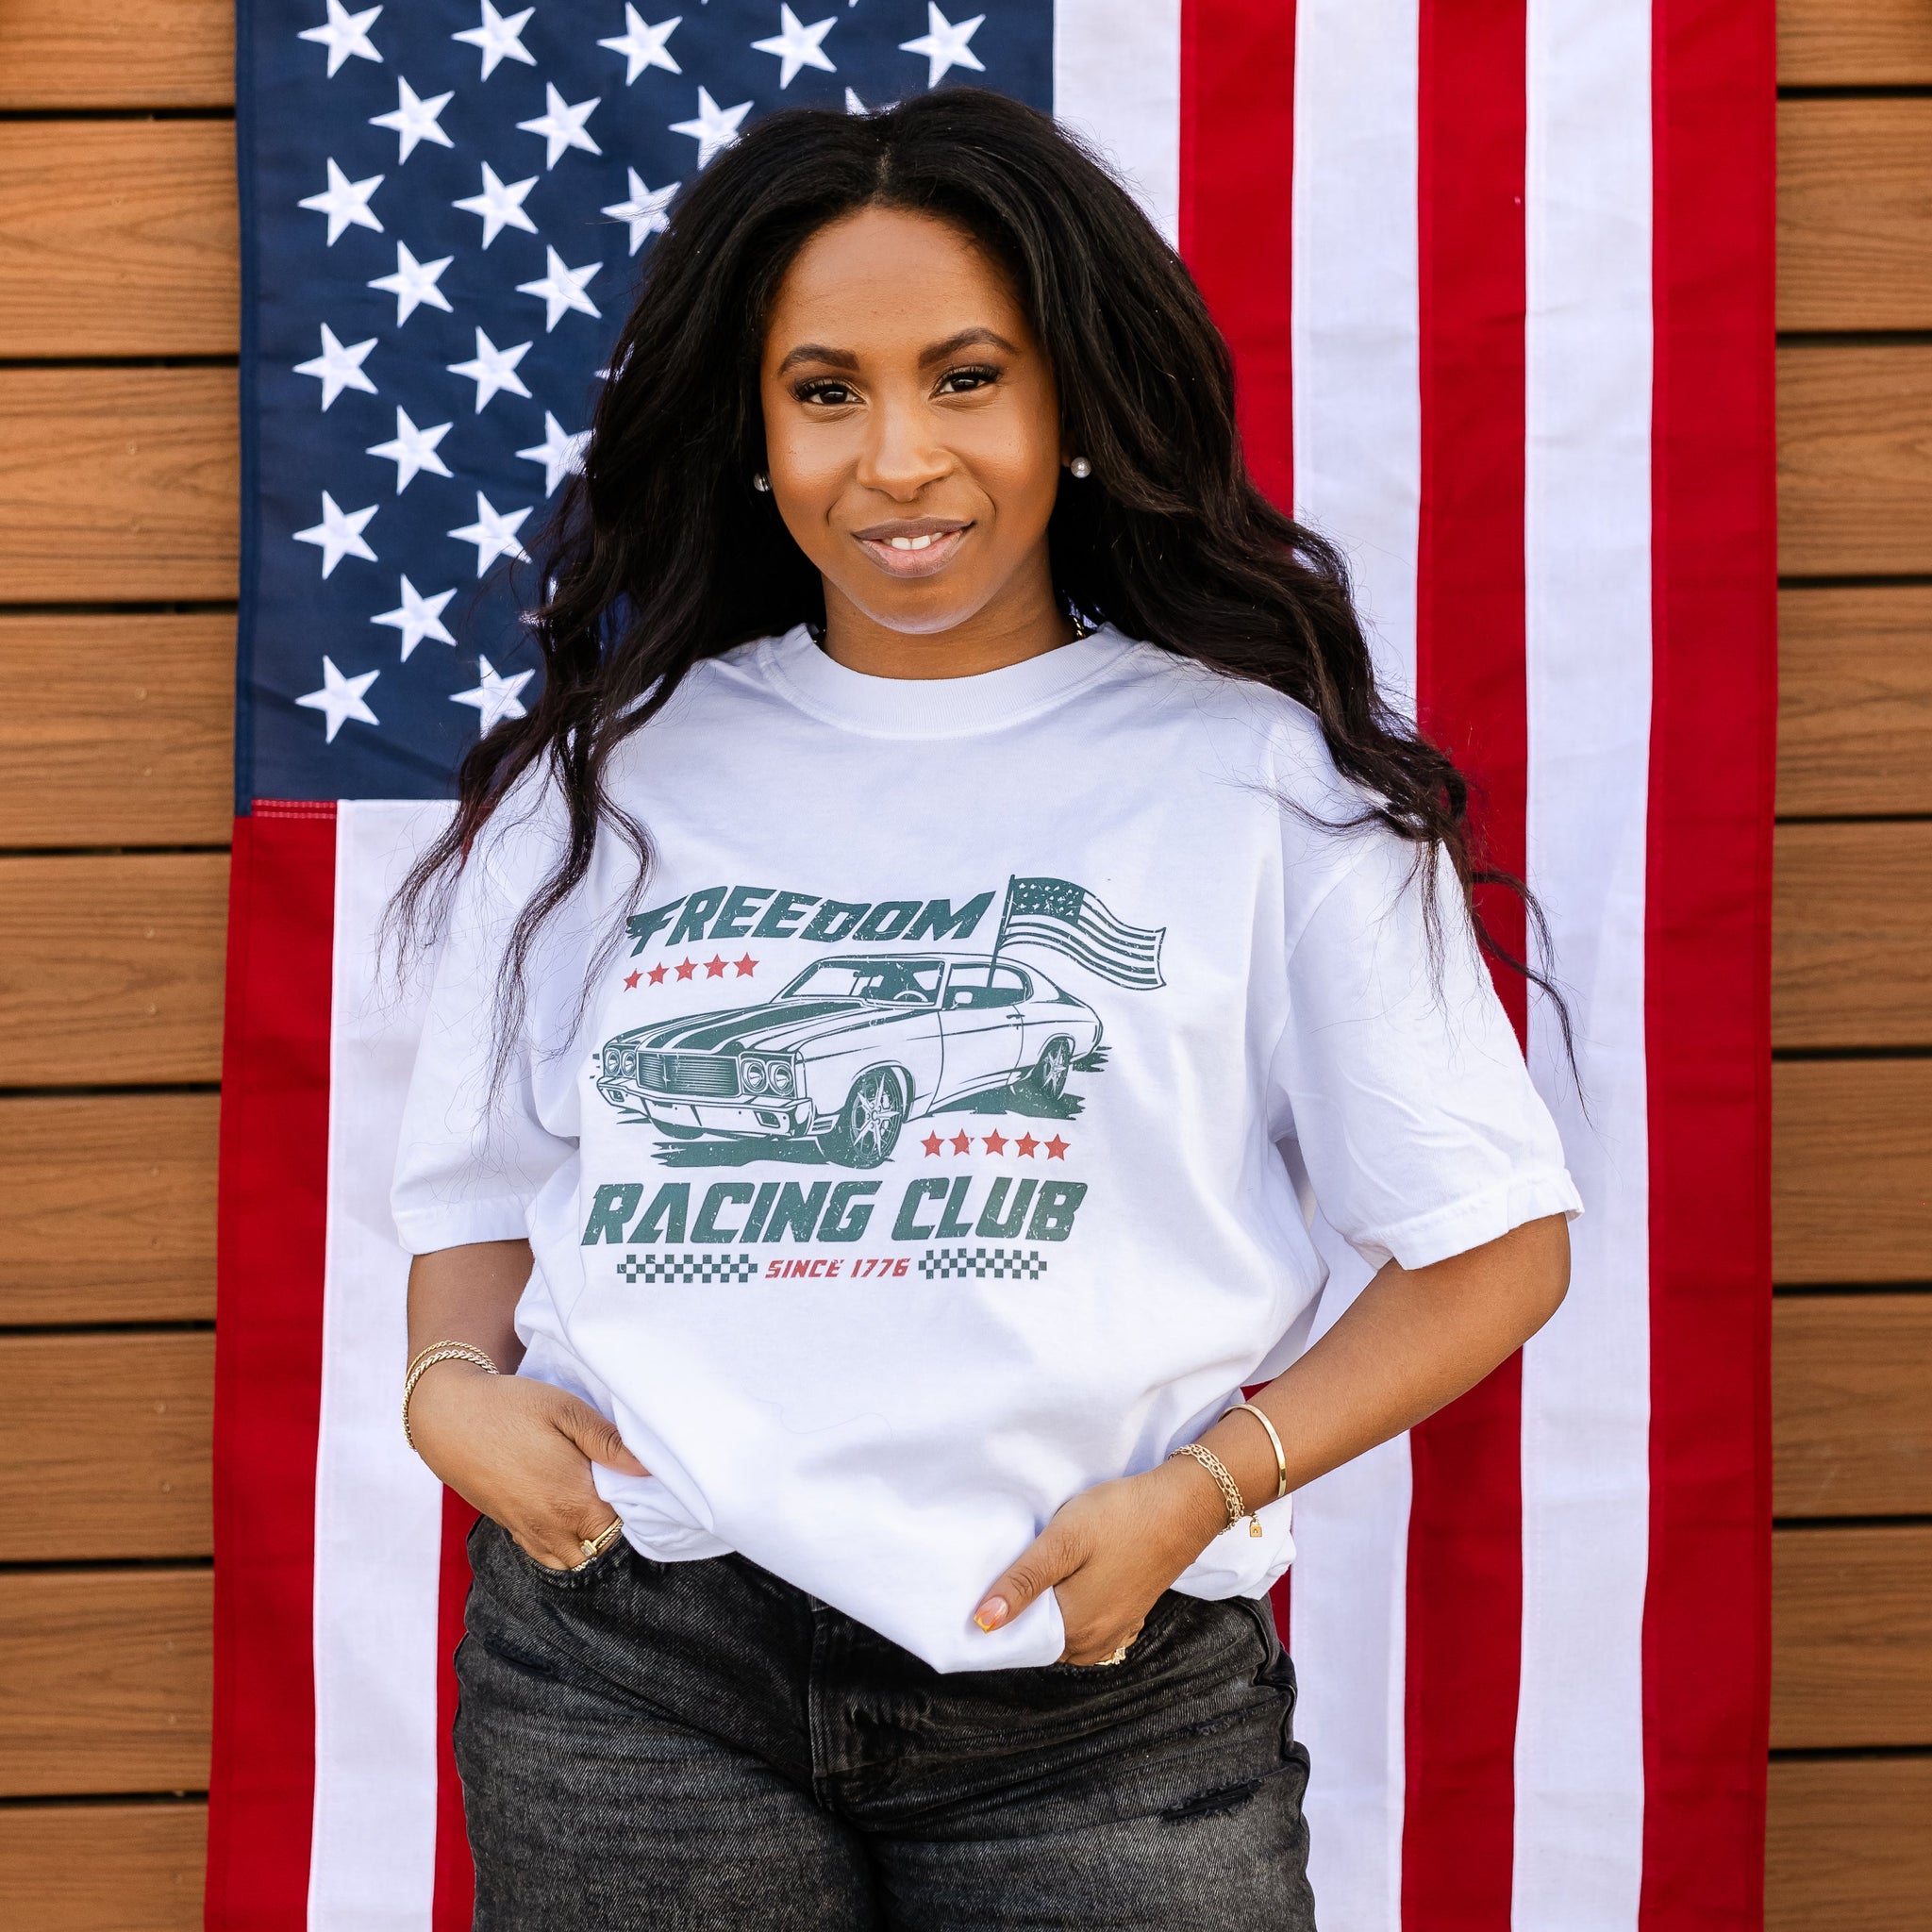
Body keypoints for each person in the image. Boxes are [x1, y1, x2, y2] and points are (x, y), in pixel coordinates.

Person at [391, 88, 1579, 1932]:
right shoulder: (605, 781)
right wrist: (449, 1393)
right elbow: (481, 1190)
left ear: (1073, 406)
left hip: (1096, 1681)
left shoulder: (1258, 780)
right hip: (633, 1667)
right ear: (753, 432)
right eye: (826, 391)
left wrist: (1207, 1487)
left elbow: (1491, 1244)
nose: (897, 459)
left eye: (965, 379)